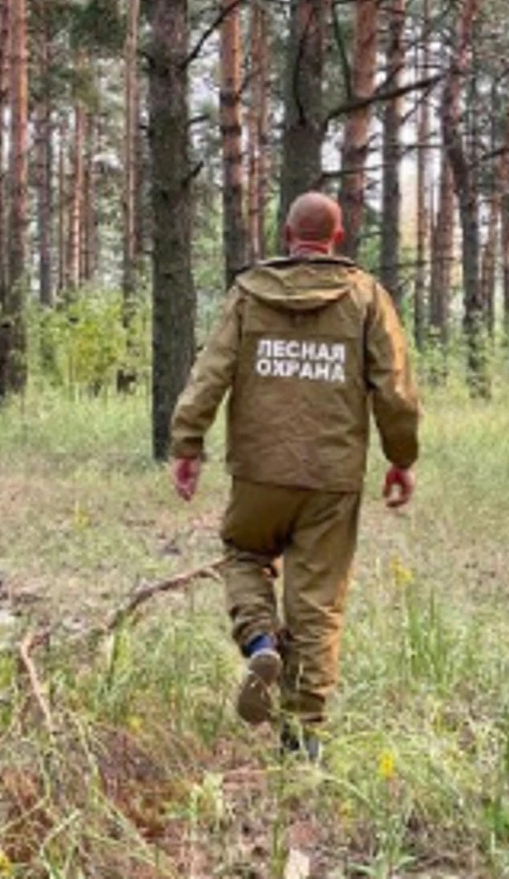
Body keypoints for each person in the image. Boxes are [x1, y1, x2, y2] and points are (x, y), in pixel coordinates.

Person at [168, 192, 421, 758]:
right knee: (318, 601)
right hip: (331, 478)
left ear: (288, 234)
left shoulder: (249, 295)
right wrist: (400, 458)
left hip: (259, 470)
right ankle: (302, 736)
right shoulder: (365, 298)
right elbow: (396, 390)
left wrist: (188, 443)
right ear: (336, 237)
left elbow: (209, 374)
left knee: (242, 554)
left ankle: (260, 638)